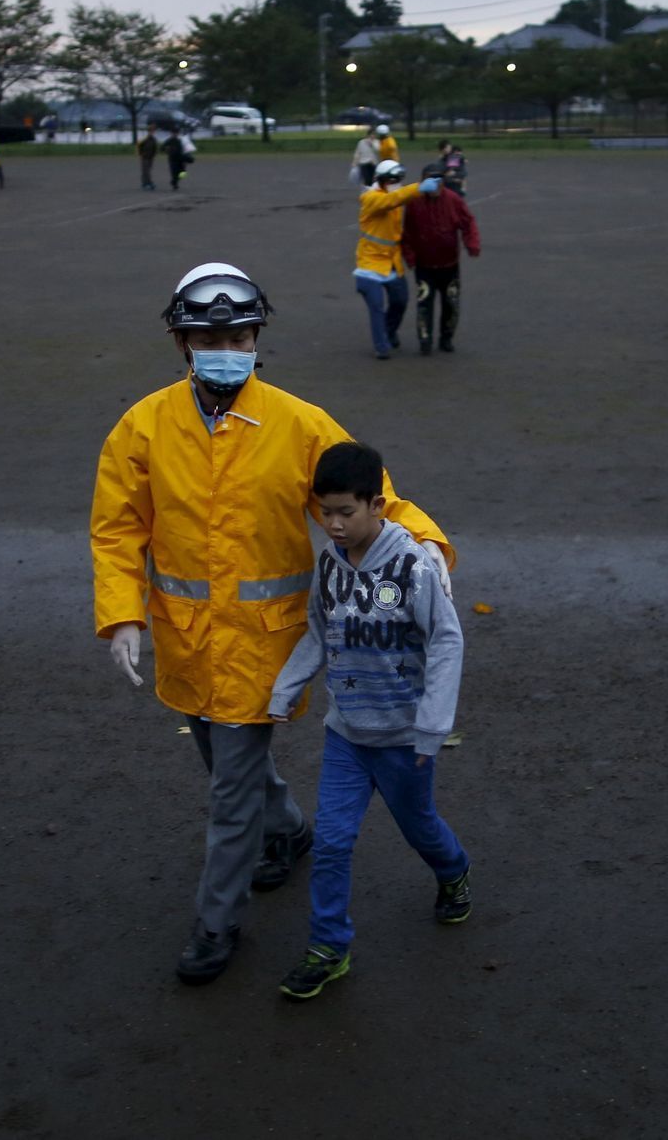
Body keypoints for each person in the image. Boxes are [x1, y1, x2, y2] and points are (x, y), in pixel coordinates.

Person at [91, 264, 457, 986]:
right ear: (180, 343)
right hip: (188, 640)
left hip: (265, 643)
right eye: (205, 336)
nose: (221, 346)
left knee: (228, 791)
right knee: (222, 760)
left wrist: (428, 549)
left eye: (234, 334)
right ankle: (287, 831)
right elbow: (117, 528)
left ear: (256, 337)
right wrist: (122, 614)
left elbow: (376, 497)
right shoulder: (143, 426)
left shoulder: (298, 425)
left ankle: (215, 923)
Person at [267, 440, 469, 1000]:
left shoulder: (412, 566)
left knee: (420, 828)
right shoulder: (329, 565)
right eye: (324, 511)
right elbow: (319, 630)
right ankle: (328, 946)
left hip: (405, 739)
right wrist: (286, 688)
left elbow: (447, 640)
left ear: (377, 506)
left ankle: (453, 871)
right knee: (332, 841)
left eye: (345, 512)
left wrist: (432, 725)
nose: (332, 524)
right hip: (347, 736)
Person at [355, 159, 438, 359]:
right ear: (382, 180)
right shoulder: (371, 198)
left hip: (392, 262)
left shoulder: (396, 198)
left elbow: (399, 202)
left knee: (400, 301)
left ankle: (388, 332)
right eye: (393, 180)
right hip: (369, 264)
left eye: (399, 180)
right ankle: (381, 346)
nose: (397, 183)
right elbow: (391, 201)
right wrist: (418, 187)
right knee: (376, 307)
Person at [401, 163, 483, 355]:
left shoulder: (453, 200)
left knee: (451, 304)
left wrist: (472, 244)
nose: (435, 187)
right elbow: (407, 233)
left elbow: (468, 222)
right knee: (424, 305)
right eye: (431, 182)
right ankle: (425, 339)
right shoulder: (414, 203)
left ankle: (446, 338)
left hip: (449, 265)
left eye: (439, 182)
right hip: (424, 266)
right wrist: (410, 257)